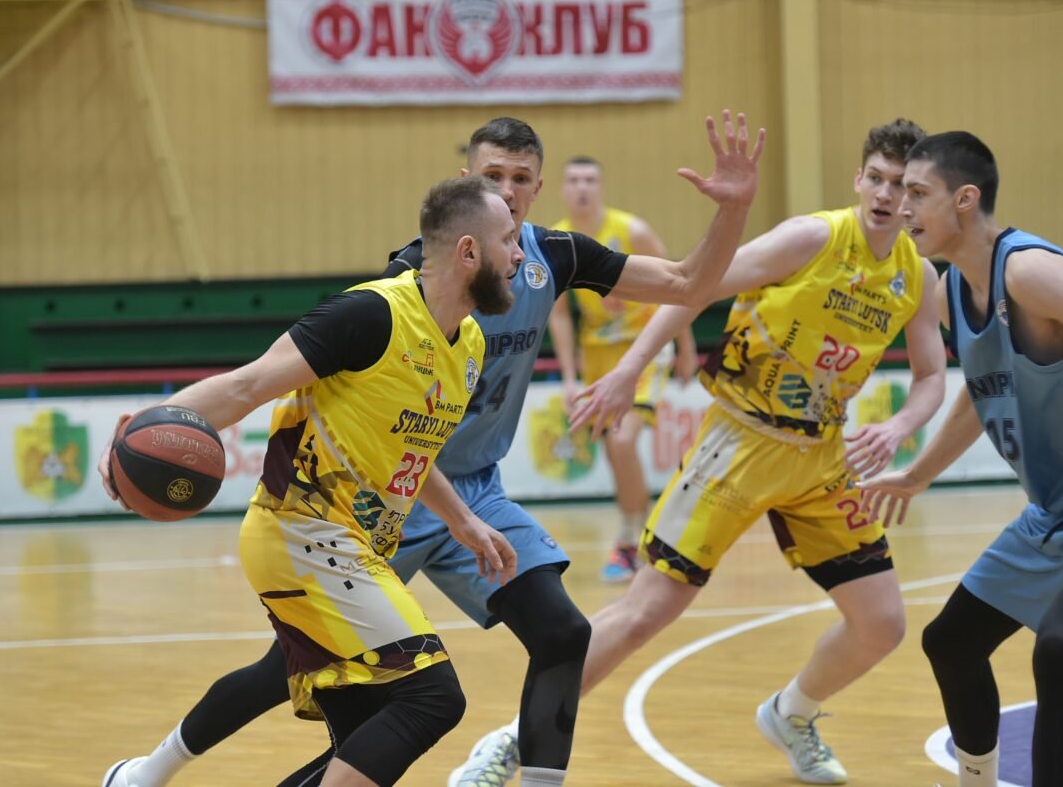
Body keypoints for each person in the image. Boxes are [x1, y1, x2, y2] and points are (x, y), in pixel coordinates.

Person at [101, 110, 766, 787]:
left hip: (451, 488)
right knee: (331, 683)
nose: (508, 193)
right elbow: (248, 385)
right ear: (466, 199)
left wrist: (734, 208)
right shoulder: (398, 297)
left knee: (556, 637)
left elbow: (687, 284)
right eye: (493, 178)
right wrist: (150, 426)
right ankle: (149, 771)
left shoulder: (517, 291)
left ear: (537, 188)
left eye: (521, 180)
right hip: (347, 510)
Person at [465, 118, 947, 786]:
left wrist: (900, 428)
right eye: (877, 179)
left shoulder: (918, 275)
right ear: (857, 180)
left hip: (820, 457)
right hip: (740, 442)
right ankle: (514, 739)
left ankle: (791, 714)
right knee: (645, 613)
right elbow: (694, 287)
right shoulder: (811, 239)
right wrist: (631, 369)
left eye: (903, 186)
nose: (888, 195)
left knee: (883, 624)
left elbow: (931, 376)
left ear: (920, 196)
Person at [101, 176, 522, 787]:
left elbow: (409, 449)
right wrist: (140, 430)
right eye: (509, 240)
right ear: (468, 251)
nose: (519, 255)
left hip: (355, 547)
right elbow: (246, 386)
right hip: (301, 533)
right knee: (432, 697)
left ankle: (139, 778)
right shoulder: (370, 314)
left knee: (359, 740)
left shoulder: (471, 344)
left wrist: (463, 520)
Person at [856, 132, 1063, 787]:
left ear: (965, 199)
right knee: (950, 642)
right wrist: (916, 474)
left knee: (1060, 645)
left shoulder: (1028, 272)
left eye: (918, 192)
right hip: (1055, 515)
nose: (902, 206)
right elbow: (983, 393)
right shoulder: (952, 290)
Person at [548, 156, 698, 582]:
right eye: (574, 180)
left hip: (644, 348)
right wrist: (569, 377)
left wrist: (685, 347)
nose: (582, 187)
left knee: (622, 437)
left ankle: (631, 540)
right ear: (561, 188)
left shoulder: (632, 230)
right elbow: (560, 315)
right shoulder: (557, 241)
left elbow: (679, 286)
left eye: (589, 179)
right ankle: (636, 535)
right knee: (614, 450)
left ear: (601, 186)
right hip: (597, 355)